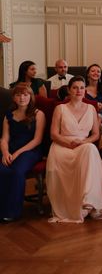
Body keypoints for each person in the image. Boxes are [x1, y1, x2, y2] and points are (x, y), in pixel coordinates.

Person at [46, 76, 102, 223]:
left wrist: (84, 142)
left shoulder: (91, 109)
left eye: (81, 88)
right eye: (75, 87)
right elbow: (53, 134)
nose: (79, 91)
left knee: (90, 149)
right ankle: (83, 203)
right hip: (62, 147)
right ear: (69, 90)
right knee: (90, 152)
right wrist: (69, 144)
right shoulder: (60, 109)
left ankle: (88, 200)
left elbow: (95, 134)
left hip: (82, 145)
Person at [0, 86, 45, 221]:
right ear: (14, 98)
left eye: (25, 95)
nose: (22, 98)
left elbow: (37, 140)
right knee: (2, 170)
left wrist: (18, 153)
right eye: (18, 95)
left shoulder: (38, 114)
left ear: (30, 97)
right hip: (11, 149)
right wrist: (5, 152)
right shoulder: (9, 115)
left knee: (17, 171)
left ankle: (12, 212)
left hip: (30, 151)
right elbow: (4, 138)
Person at [85, 64, 102, 128]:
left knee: (99, 117)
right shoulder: (83, 89)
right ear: (88, 74)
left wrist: (98, 105)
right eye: (93, 71)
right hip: (87, 113)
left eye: (98, 71)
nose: (96, 73)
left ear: (100, 75)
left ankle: (96, 137)